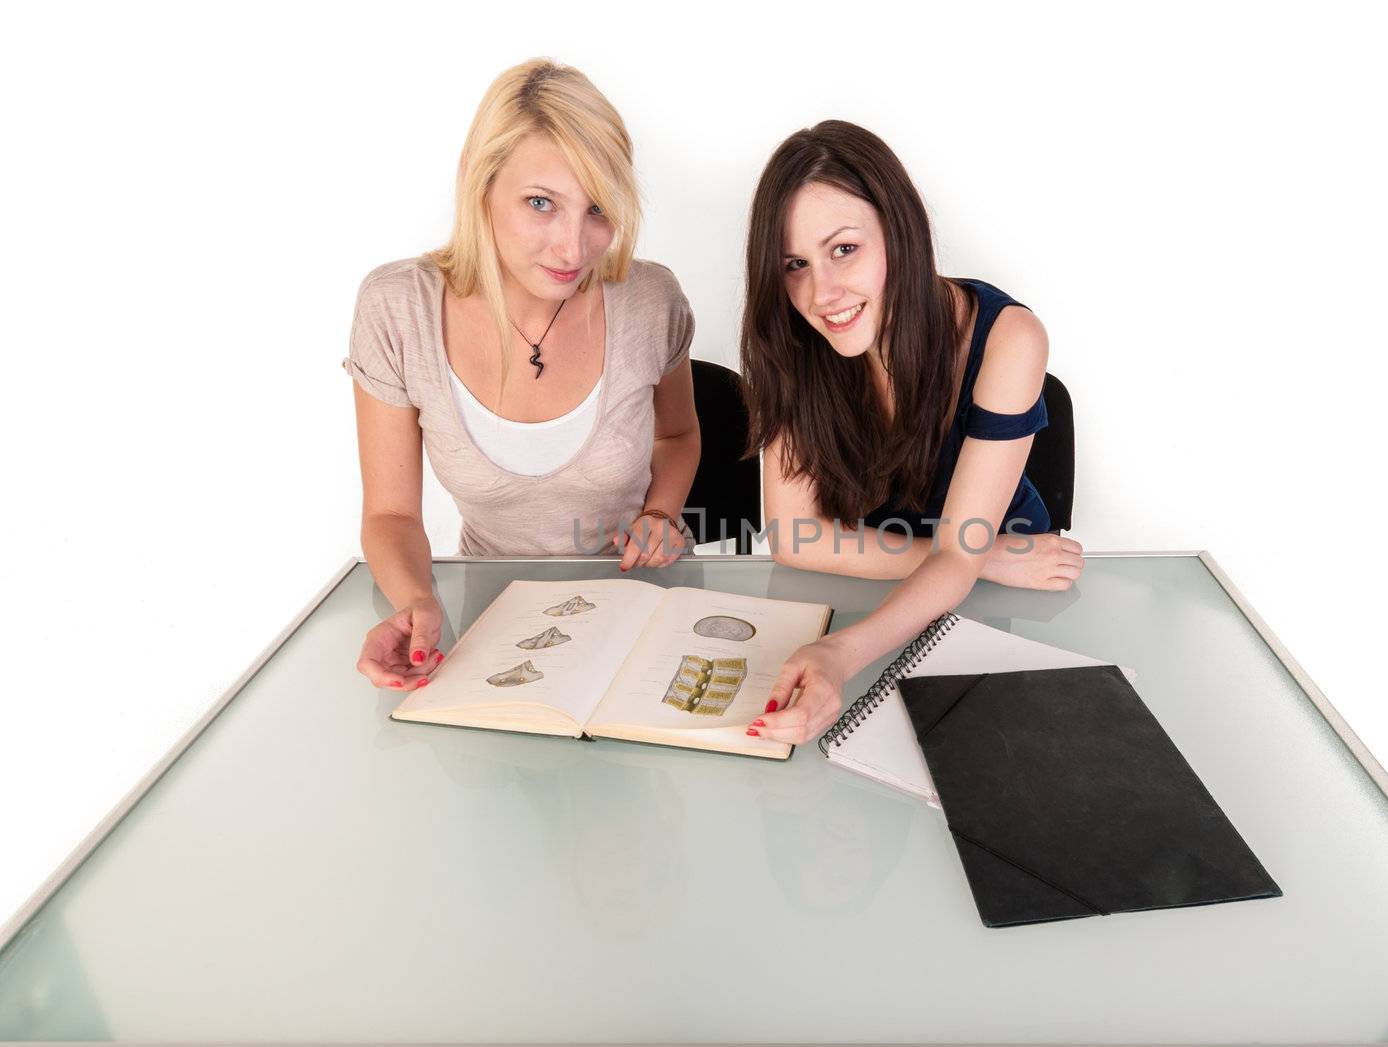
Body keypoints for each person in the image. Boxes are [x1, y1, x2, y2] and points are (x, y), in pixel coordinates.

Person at [344, 59, 700, 692]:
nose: (573, 249)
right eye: (541, 204)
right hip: (492, 615)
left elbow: (677, 437)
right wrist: (417, 602)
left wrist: (662, 512)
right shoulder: (398, 309)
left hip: (644, 609)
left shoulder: (650, 299)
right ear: (481, 189)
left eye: (597, 210)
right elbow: (392, 514)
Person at [739, 120, 1084, 745]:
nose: (822, 293)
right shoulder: (791, 341)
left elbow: (959, 552)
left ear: (900, 231)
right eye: (795, 264)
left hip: (999, 601)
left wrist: (842, 654)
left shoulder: (1009, 338)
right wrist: (987, 559)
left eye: (845, 249)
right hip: (931, 574)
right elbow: (793, 539)